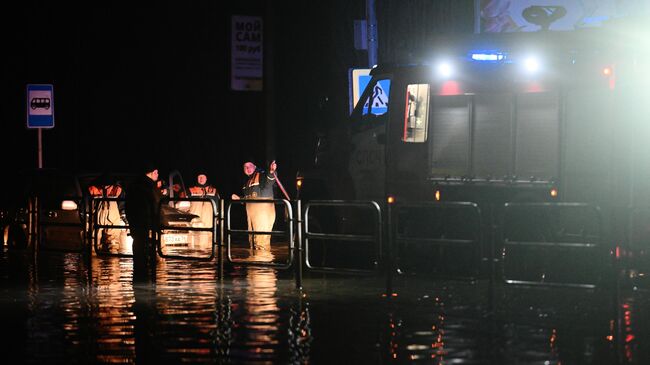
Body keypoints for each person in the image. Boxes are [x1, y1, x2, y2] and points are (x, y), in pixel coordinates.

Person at [125, 165, 162, 281]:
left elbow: (128, 204)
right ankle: (144, 275)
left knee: (138, 245)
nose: (158, 175)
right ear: (151, 172)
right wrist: (159, 221)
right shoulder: (149, 186)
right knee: (145, 246)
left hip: (135, 220)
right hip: (145, 220)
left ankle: (139, 272)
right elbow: (156, 204)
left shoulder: (135, 185)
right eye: (156, 172)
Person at [232, 160, 277, 251]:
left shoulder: (262, 175)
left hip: (263, 213)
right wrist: (240, 199)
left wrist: (272, 172)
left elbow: (269, 181)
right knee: (252, 241)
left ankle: (263, 261)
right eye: (245, 167)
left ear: (255, 166)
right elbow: (248, 198)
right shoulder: (247, 182)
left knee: (261, 241)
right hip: (251, 215)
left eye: (249, 166)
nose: (247, 168)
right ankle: (255, 262)